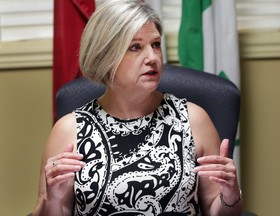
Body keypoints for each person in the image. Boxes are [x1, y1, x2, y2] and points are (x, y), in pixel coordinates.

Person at [32, 0, 243, 215]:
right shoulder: (69, 130)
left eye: (156, 44)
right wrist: (53, 199)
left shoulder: (194, 119)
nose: (152, 58)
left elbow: (219, 210)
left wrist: (230, 196)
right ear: (106, 57)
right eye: (136, 47)